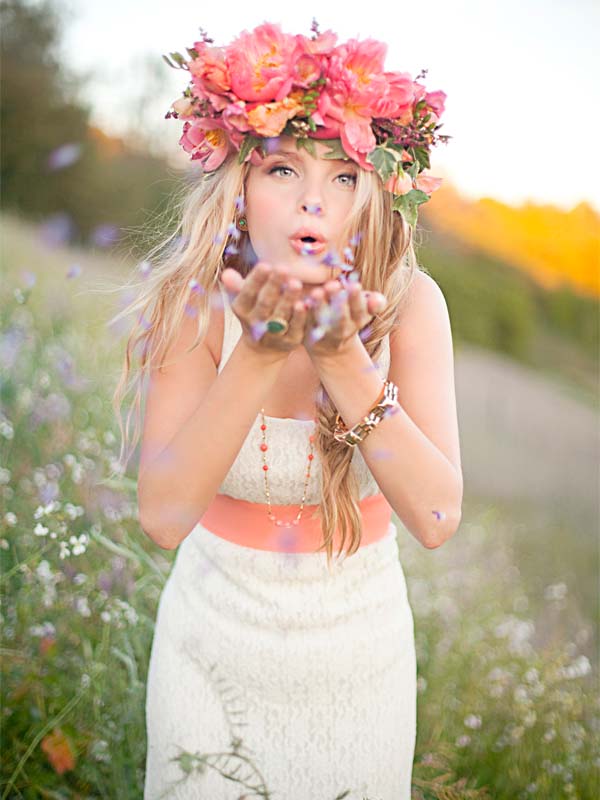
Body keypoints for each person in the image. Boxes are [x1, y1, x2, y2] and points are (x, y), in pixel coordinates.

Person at [113, 20, 463, 800]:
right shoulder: (193, 306)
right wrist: (261, 353)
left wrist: (343, 361)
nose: (314, 198)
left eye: (344, 175)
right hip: (209, 657)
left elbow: (438, 519)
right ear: (238, 182)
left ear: (376, 192)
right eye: (282, 168)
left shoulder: (411, 308)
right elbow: (165, 518)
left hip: (359, 664)